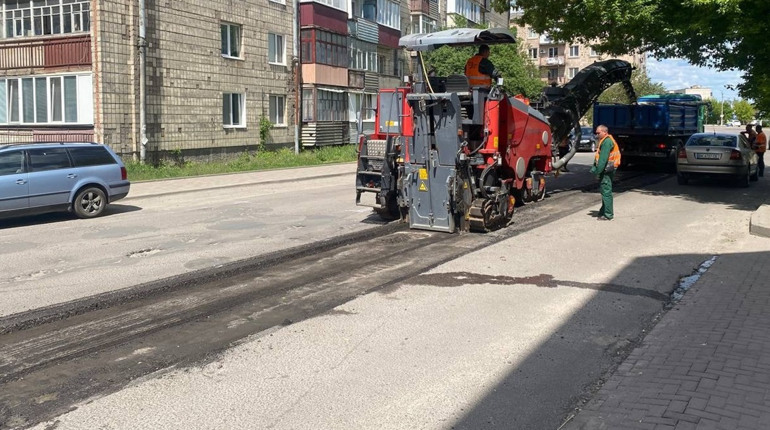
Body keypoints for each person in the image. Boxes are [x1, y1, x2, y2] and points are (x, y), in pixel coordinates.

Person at [589, 125, 621, 221]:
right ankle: (603, 211)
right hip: (609, 169)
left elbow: (603, 160)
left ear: (604, 132)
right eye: (596, 133)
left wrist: (598, 172)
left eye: (598, 133)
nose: (597, 135)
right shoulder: (606, 140)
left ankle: (608, 214)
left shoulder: (607, 142)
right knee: (605, 191)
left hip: (606, 170)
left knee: (606, 191)